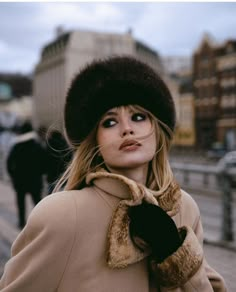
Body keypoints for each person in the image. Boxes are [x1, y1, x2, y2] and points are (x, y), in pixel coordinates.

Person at [0, 56, 226, 291]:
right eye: (109, 122)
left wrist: (178, 256)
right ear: (94, 140)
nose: (127, 129)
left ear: (156, 130)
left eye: (138, 117)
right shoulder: (62, 214)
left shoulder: (184, 207)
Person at [6, 121, 47, 229]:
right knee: (37, 202)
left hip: (20, 181)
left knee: (21, 204)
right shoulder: (37, 145)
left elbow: (9, 163)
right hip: (35, 180)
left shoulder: (16, 146)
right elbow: (45, 161)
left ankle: (21, 222)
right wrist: (41, 172)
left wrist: (13, 176)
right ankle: (41, 221)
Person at [45, 130, 71, 194]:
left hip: (51, 173)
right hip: (63, 172)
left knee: (51, 193)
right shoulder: (65, 144)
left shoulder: (48, 145)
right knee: (64, 191)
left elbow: (45, 159)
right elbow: (69, 157)